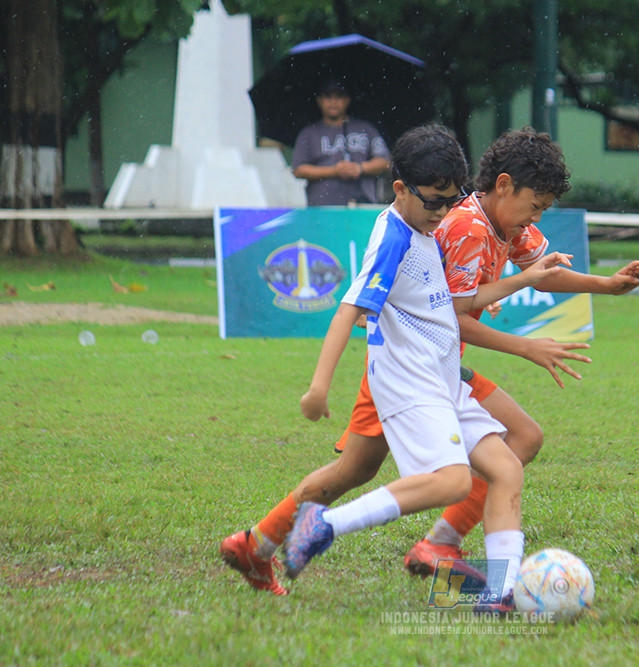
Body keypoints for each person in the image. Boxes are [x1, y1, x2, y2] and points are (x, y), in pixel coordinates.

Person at [221, 124, 572, 610]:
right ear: (402, 190)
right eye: (435, 202)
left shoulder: (426, 225)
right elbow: (350, 309)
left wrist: (522, 281)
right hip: (409, 380)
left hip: (441, 375)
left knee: (504, 464)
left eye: (452, 202)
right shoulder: (396, 237)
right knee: (407, 477)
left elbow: (454, 305)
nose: (445, 214)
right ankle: (312, 530)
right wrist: (318, 388)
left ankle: (498, 593)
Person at [291, 79, 391, 205]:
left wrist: (359, 168)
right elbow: (299, 169)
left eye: (338, 97)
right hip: (323, 208)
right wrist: (334, 171)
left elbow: (385, 162)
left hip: (363, 205)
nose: (333, 102)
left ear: (347, 100)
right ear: (319, 101)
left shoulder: (366, 129)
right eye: (328, 97)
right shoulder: (308, 133)